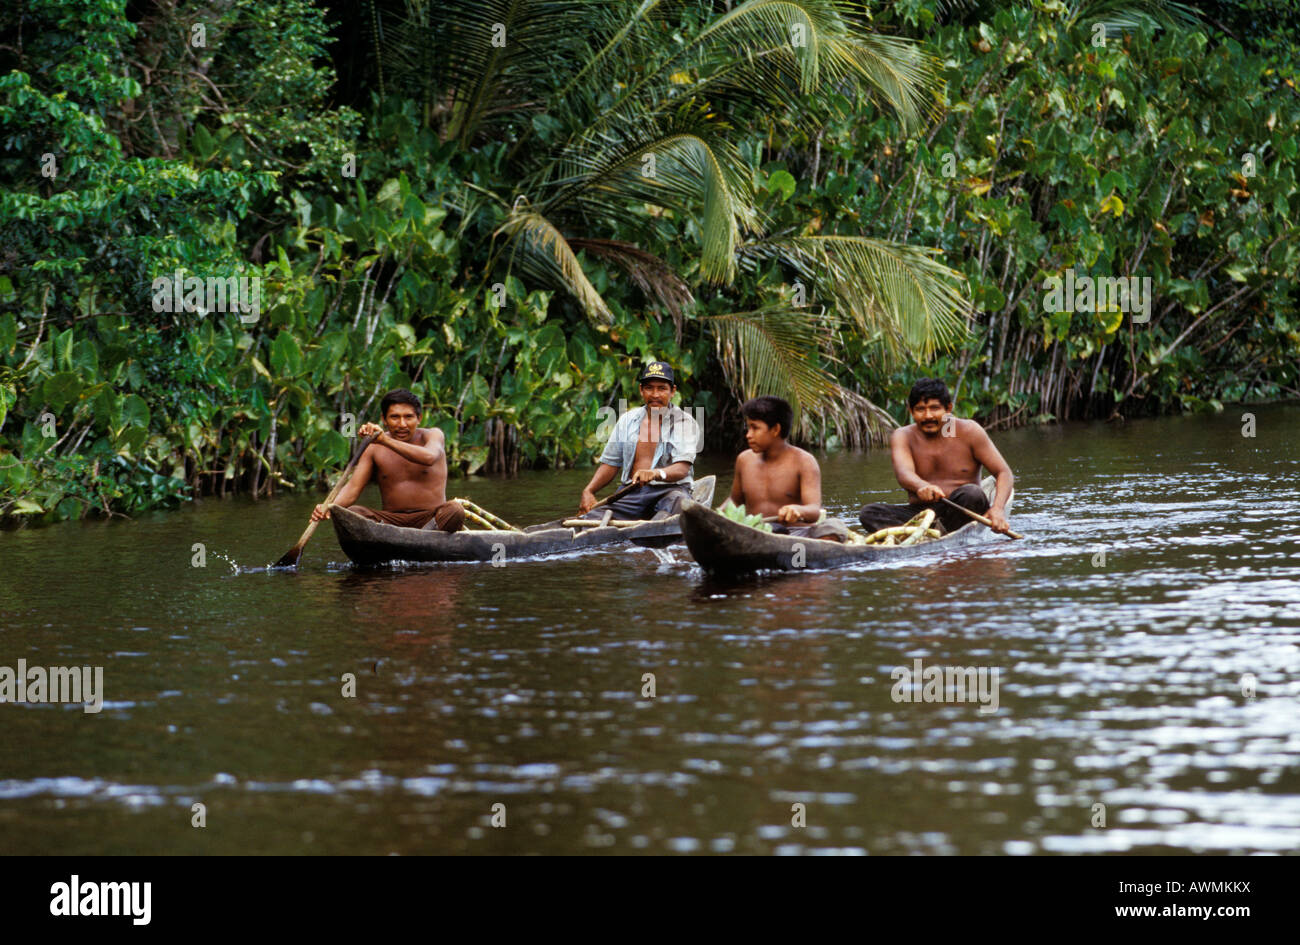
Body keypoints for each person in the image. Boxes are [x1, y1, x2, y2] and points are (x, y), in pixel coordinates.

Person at [858, 378, 1013, 535]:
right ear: (911, 411)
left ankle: (934, 532)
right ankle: (932, 531)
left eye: (934, 408)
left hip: (963, 508)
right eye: (920, 409)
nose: (928, 416)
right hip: (922, 513)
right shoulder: (903, 436)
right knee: (869, 513)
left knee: (972, 494)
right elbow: (904, 473)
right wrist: (921, 486)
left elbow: (1003, 472)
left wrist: (998, 509)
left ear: (948, 409)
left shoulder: (969, 431)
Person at [310, 389, 465, 532]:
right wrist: (329, 507)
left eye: (408, 417)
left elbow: (429, 457)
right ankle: (400, 540)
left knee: (455, 510)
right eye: (395, 417)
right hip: (392, 522)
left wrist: (384, 440)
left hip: (431, 519)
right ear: (384, 419)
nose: (402, 424)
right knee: (353, 513)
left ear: (419, 418)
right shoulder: (374, 447)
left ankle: (423, 537)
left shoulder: (432, 435)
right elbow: (353, 488)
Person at [578, 361, 702, 521]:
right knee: (590, 519)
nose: (655, 394)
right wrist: (589, 491)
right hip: (632, 493)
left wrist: (654, 473)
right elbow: (610, 463)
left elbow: (682, 469)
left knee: (678, 504)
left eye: (662, 388)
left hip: (670, 491)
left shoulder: (684, 422)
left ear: (673, 391)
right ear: (641, 390)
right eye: (649, 388)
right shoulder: (627, 420)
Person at [724, 395, 848, 542]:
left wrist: (798, 510)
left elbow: (814, 510)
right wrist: (710, 515)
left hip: (797, 534)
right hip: (755, 533)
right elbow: (735, 501)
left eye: (755, 428)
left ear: (775, 429)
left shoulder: (804, 461)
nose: (748, 435)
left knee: (834, 528)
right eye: (748, 427)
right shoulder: (744, 460)